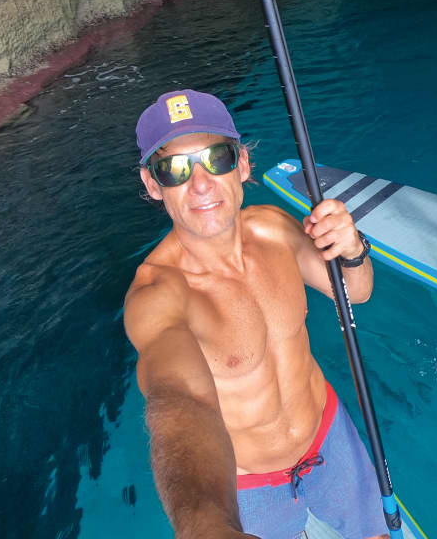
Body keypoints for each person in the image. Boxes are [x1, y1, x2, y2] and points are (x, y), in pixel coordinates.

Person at [124, 89, 387, 539]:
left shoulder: (274, 228)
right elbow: (181, 405)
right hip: (248, 486)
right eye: (175, 169)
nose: (201, 183)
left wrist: (352, 248)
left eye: (217, 158)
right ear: (153, 186)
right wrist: (204, 527)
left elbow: (355, 294)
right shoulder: (158, 293)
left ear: (243, 164)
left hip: (328, 436)